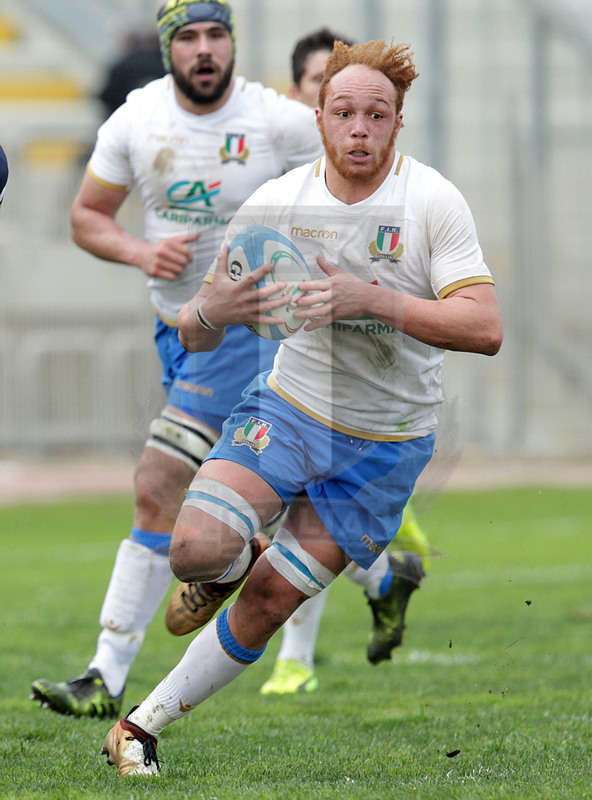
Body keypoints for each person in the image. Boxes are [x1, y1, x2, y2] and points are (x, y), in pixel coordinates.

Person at [100, 38, 503, 777]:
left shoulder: (432, 201)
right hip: (289, 409)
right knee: (194, 550)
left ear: (398, 122)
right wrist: (213, 308)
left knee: (270, 601)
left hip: (387, 445)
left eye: (375, 115)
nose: (359, 129)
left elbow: (485, 328)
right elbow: (195, 321)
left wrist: (372, 300)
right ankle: (229, 557)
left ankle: (138, 728)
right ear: (317, 116)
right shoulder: (278, 203)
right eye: (343, 112)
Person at [30, 0, 322, 720]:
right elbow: (87, 217)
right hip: (180, 330)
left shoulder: (277, 119)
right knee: (265, 505)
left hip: (256, 334)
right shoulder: (135, 118)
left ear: (231, 44)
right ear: (168, 47)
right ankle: (254, 561)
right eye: (188, 37)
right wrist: (137, 249)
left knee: (157, 480)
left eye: (215, 35)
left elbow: (350, 191)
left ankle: (107, 673)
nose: (203, 49)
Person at [259, 28, 432, 696]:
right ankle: (384, 574)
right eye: (318, 89)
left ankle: (293, 660)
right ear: (307, 102)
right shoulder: (284, 178)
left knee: (299, 510)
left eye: (371, 109)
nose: (352, 122)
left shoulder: (398, 190)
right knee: (258, 507)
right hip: (276, 350)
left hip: (355, 379)